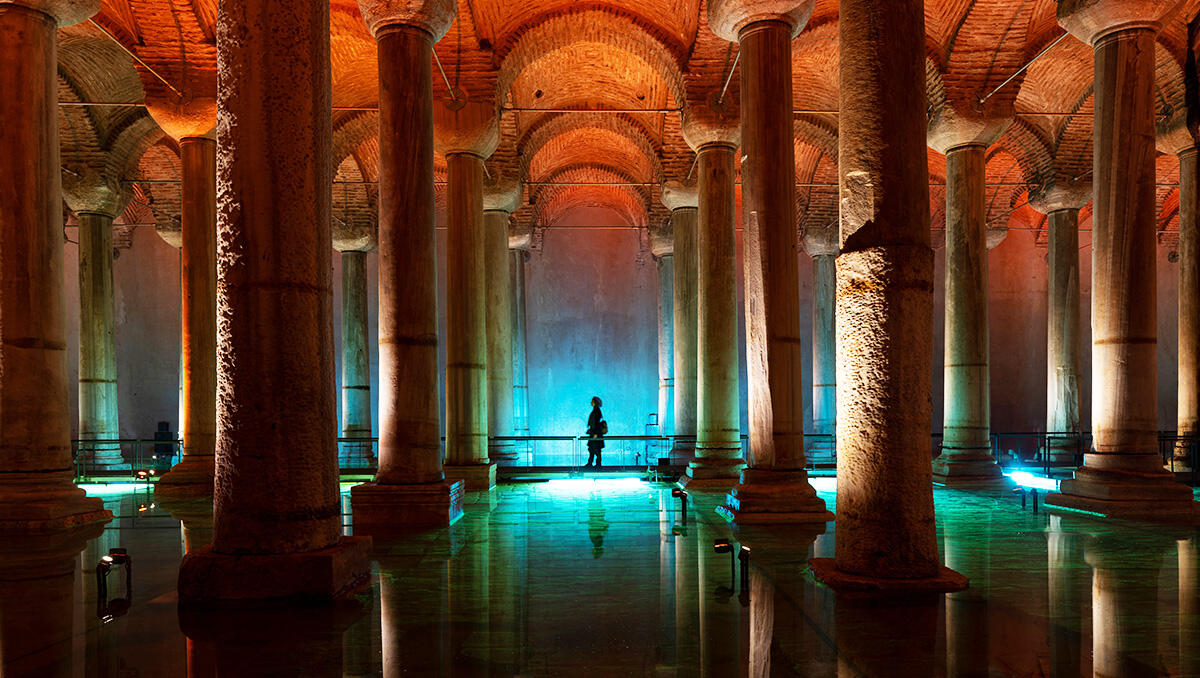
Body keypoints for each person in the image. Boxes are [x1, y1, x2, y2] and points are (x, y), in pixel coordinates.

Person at [584, 396, 605, 469]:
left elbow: (594, 422)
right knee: (594, 449)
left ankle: (595, 464)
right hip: (595, 433)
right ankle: (594, 464)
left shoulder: (596, 411)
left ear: (594, 402)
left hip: (595, 433)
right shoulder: (597, 410)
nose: (590, 402)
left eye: (592, 401)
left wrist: (594, 433)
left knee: (594, 449)